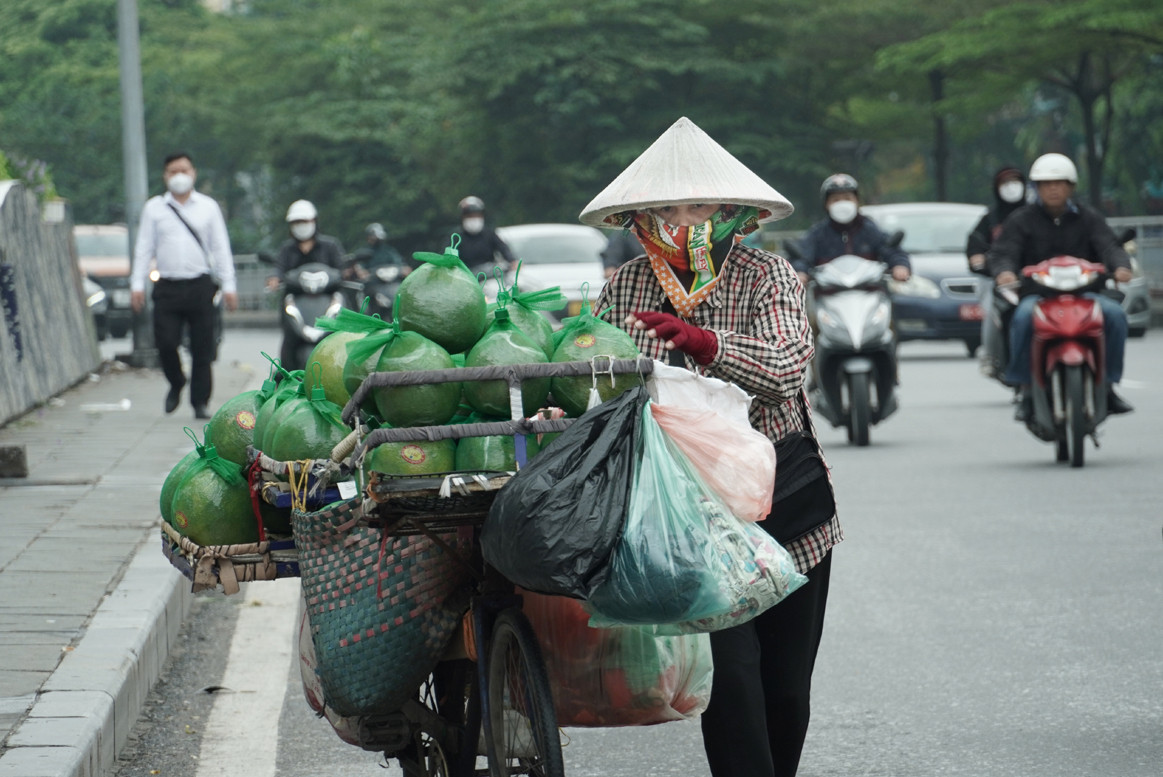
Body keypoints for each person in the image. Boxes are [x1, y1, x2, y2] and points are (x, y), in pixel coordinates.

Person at [584, 116, 841, 777]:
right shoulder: (625, 288)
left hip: (782, 495)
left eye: (696, 205)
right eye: (664, 208)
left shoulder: (768, 276)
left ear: (730, 212)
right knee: (731, 676)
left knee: (785, 686)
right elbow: (595, 377)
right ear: (640, 217)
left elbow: (787, 368)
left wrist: (708, 346)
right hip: (689, 509)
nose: (680, 220)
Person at [988, 152, 1135, 420]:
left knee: (1114, 315)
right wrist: (1005, 273)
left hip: (1086, 294)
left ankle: (1110, 386)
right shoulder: (1021, 220)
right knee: (1021, 317)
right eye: (1046, 184)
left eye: (1059, 183)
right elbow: (1004, 252)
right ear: (1037, 188)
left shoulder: (1089, 218)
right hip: (1038, 295)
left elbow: (1109, 246)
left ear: (1071, 186)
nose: (1053, 189)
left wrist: (1122, 267)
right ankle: (1026, 390)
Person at [130, 151, 238, 419]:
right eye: (172, 171)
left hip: (200, 285)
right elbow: (144, 248)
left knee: (203, 347)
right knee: (165, 342)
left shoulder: (208, 207)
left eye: (184, 170)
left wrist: (229, 285)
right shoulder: (154, 208)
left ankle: (200, 401)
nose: (179, 176)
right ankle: (176, 381)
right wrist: (137, 284)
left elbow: (220, 248)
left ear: (194, 173)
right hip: (167, 286)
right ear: (165, 176)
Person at [792, 173, 911, 284]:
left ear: (857, 201)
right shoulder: (818, 234)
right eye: (836, 200)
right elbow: (802, 256)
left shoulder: (870, 230)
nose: (842, 203)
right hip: (827, 296)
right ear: (826, 204)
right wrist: (800, 272)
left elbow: (891, 250)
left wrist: (899, 266)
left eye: (847, 198)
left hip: (869, 294)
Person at [966, 166, 1028, 378]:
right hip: (999, 280)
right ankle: (991, 355)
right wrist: (978, 259)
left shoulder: (1035, 215)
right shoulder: (991, 219)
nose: (1011, 187)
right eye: (1005, 183)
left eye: (1015, 181)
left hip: (1033, 278)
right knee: (993, 312)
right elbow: (975, 243)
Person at [265, 199, 346, 289]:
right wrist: (274, 277)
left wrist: (348, 272)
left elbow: (341, 267)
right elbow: (279, 267)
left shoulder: (330, 245)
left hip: (328, 294)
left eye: (304, 221)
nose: (300, 225)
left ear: (314, 221)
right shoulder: (286, 249)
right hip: (295, 295)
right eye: (296, 222)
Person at [453, 195, 516, 275]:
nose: (473, 219)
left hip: (489, 277)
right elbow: (447, 257)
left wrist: (513, 261)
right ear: (462, 217)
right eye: (469, 216)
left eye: (476, 216)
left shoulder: (489, 235)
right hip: (465, 277)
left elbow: (503, 248)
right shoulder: (456, 237)